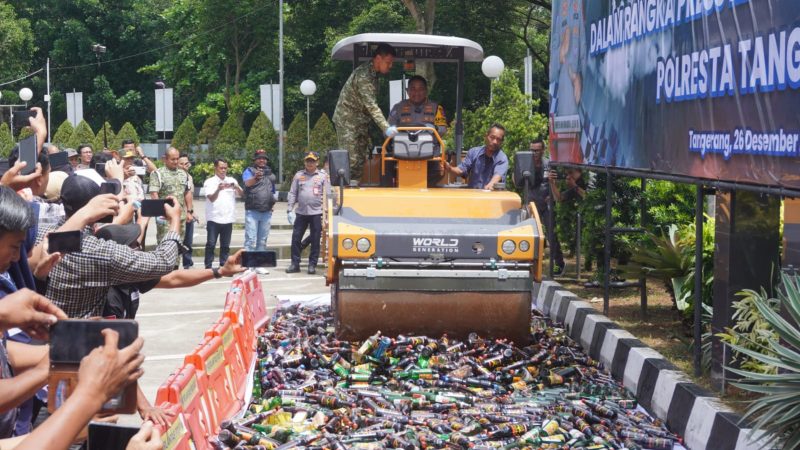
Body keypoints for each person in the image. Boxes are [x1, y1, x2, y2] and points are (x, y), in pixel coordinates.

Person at [333, 43, 398, 181]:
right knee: (351, 161)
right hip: (348, 122)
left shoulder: (373, 75)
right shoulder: (364, 76)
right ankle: (345, 190)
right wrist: (385, 127)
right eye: (388, 62)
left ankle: (354, 186)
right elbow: (371, 106)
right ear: (378, 58)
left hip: (360, 122)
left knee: (360, 161)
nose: (391, 66)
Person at [286, 151, 330, 274]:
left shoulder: (323, 176)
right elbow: (293, 193)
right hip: (301, 212)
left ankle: (312, 265)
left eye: (312, 161)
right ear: (305, 162)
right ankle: (295, 264)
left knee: (315, 240)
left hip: (317, 213)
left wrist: (328, 213)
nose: (310, 163)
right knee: (296, 238)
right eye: (308, 161)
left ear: (317, 162)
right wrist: (289, 209)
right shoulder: (299, 175)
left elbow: (328, 195)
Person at [530, 139, 565, 275]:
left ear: (543, 150)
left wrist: (552, 192)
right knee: (531, 234)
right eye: (532, 150)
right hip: (532, 205)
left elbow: (559, 182)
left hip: (546, 204)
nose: (534, 153)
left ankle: (559, 263)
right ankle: (530, 262)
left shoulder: (549, 164)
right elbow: (518, 182)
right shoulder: (526, 163)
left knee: (551, 235)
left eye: (537, 150)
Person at [149, 147, 193, 246]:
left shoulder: (183, 174)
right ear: (165, 159)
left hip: (181, 217)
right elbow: (154, 194)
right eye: (173, 159)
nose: (176, 161)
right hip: (165, 219)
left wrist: (189, 212)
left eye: (177, 159)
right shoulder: (157, 174)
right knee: (165, 245)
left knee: (179, 245)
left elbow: (187, 193)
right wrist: (160, 213)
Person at [444, 123, 509, 190]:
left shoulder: (502, 158)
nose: (495, 141)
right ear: (486, 136)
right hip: (473, 195)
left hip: (492, 195)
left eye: (498, 139)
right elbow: (461, 170)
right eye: (492, 137)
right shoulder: (474, 152)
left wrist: (490, 185)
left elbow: (498, 176)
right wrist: (450, 168)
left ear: (502, 142)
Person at [203, 159, 242, 270]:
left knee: (225, 245)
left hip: (228, 218)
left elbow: (242, 194)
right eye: (221, 168)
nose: (223, 170)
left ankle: (224, 266)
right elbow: (211, 198)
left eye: (225, 168)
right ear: (215, 168)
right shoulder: (209, 182)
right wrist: (218, 189)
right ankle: (208, 266)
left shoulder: (232, 180)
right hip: (214, 218)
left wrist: (236, 187)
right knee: (211, 244)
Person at [242, 150, 277, 274]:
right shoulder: (249, 171)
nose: (262, 160)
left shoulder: (271, 174)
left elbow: (273, 191)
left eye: (264, 158)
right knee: (251, 240)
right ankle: (248, 266)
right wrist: (255, 177)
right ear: (255, 160)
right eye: (259, 158)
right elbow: (247, 183)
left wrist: (272, 203)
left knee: (262, 240)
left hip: (266, 212)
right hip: (253, 211)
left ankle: (258, 265)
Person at [178, 153, 195, 269]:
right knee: (176, 241)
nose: (185, 166)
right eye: (182, 164)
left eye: (186, 163)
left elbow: (190, 197)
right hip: (177, 214)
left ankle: (187, 263)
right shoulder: (174, 177)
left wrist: (192, 211)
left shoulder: (190, 177)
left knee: (188, 241)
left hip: (188, 213)